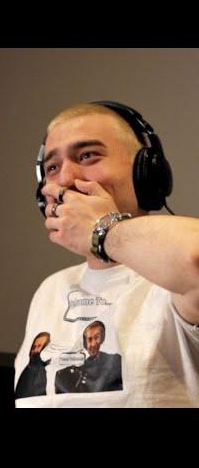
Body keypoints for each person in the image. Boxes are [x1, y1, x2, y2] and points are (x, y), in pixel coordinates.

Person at [14, 101, 199, 407]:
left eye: (87, 155)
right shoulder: (51, 290)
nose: (64, 179)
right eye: (52, 167)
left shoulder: (170, 281)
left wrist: (103, 230)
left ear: (145, 172)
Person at [54, 321, 122, 393]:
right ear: (85, 342)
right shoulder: (78, 366)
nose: (93, 344)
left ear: (102, 338)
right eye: (89, 339)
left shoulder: (115, 360)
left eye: (97, 337)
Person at [14, 331, 51, 399]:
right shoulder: (29, 369)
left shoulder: (54, 369)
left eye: (39, 346)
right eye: (34, 347)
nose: (35, 350)